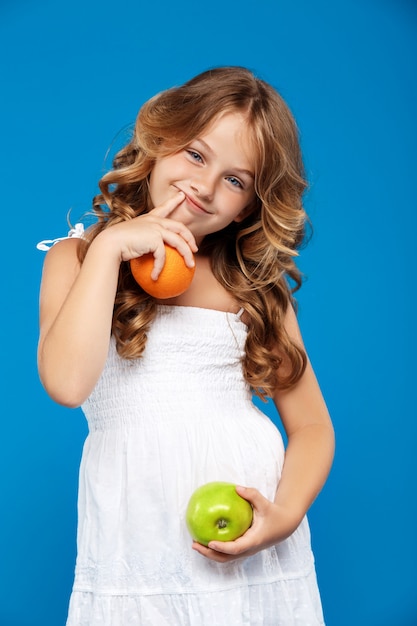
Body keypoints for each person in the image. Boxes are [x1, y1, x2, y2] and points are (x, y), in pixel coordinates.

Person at [37, 66, 335, 625]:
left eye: (236, 179)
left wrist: (286, 514)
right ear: (160, 141)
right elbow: (67, 384)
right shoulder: (75, 261)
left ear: (248, 205)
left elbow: (314, 426)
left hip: (245, 531)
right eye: (197, 155)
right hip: (137, 528)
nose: (205, 185)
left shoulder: (252, 286)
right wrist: (110, 252)